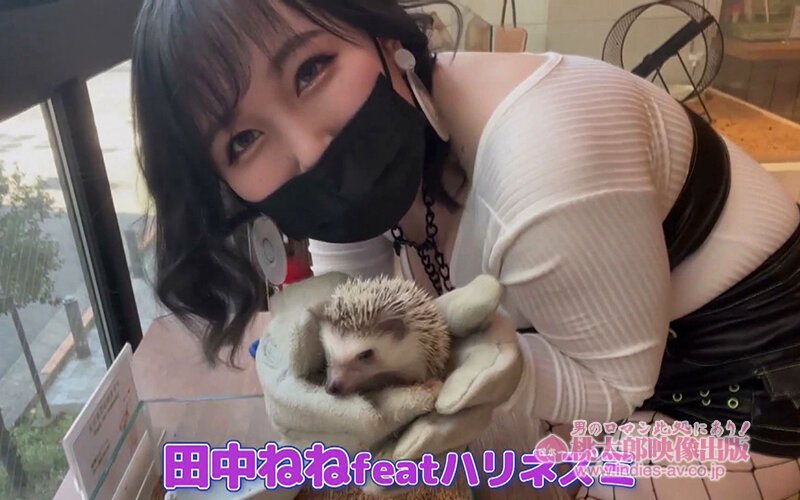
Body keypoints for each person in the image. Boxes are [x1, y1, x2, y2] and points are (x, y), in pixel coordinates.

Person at [130, 0, 800, 498]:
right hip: (629, 371)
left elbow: (615, 386)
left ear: (380, 32)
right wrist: (315, 348)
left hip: (750, 401)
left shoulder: (542, 157)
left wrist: (476, 368)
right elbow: (359, 299)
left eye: (311, 69)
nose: (309, 150)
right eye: (243, 141)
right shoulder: (395, 147)